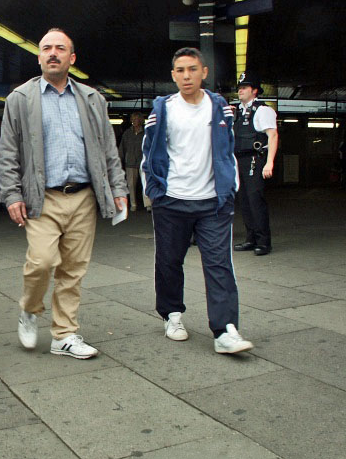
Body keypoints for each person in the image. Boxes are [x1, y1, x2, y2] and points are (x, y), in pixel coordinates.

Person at [0, 28, 128, 360]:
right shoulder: (21, 98)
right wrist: (12, 194)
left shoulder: (92, 99)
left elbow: (108, 150)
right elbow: (9, 151)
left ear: (72, 58)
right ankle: (30, 309)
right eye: (46, 48)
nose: (52, 53)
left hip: (83, 196)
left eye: (60, 48)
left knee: (73, 269)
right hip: (43, 197)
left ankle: (64, 335)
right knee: (41, 262)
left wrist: (118, 189)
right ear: (39, 56)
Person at [141, 47, 253, 354]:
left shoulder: (220, 108)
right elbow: (148, 150)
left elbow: (227, 149)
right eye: (180, 70)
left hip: (212, 203)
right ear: (173, 74)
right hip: (172, 200)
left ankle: (225, 330)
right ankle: (172, 314)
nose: (186, 75)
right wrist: (153, 190)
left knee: (219, 264)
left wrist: (230, 187)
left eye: (192, 69)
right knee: (168, 261)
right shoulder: (163, 109)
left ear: (204, 72)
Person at [232, 71, 278, 256]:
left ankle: (264, 242)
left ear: (255, 90)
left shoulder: (262, 110)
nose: (240, 91)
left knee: (255, 200)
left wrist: (269, 163)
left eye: (244, 87)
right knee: (244, 201)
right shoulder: (237, 111)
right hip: (239, 160)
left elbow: (273, 136)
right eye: (239, 88)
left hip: (254, 159)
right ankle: (251, 238)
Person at [119, 111, 152, 212]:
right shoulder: (127, 133)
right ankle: (133, 204)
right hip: (130, 162)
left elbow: (151, 146)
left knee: (145, 184)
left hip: (143, 162)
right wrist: (120, 160)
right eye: (133, 119)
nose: (134, 121)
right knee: (131, 185)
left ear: (141, 120)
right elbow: (122, 147)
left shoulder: (146, 132)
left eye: (136, 119)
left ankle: (148, 204)